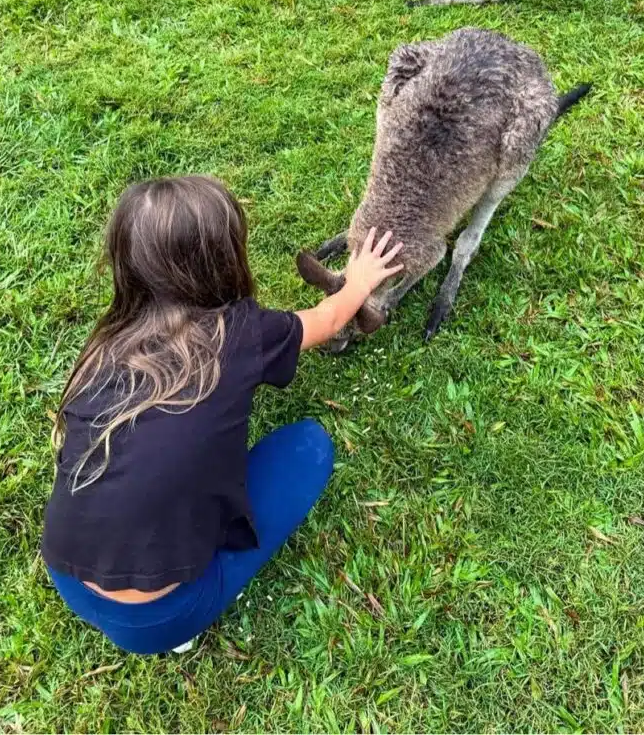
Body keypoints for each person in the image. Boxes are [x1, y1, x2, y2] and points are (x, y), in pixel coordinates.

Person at [41, 175, 402, 655]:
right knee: (309, 446)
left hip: (67, 574)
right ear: (226, 257)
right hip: (156, 618)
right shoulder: (242, 333)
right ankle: (184, 626)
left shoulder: (106, 343)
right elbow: (330, 319)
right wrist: (357, 282)